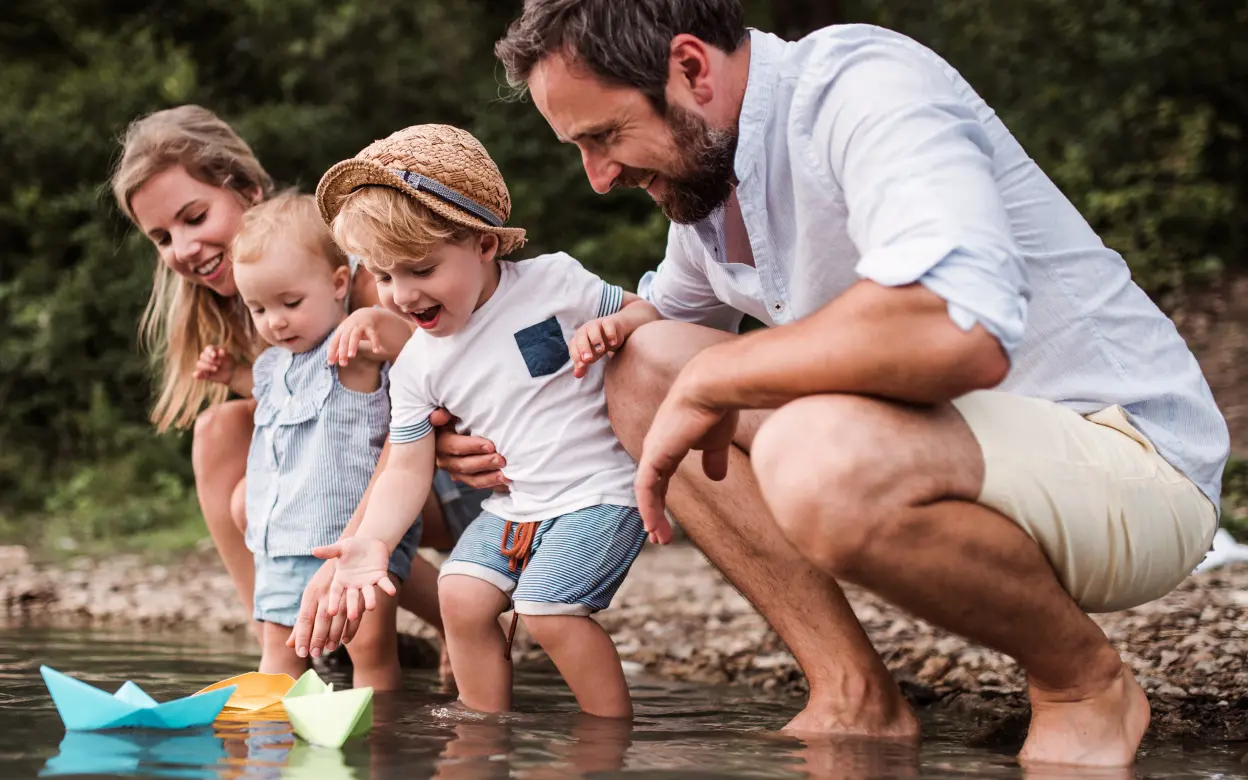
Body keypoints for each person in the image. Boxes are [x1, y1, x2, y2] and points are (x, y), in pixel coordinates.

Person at [432, 0, 1230, 768]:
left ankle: (1083, 685)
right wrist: (488, 423)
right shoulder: (710, 189)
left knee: (816, 455)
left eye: (605, 136)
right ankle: (854, 693)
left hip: (1128, 462)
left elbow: (956, 328)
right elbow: (649, 337)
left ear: (689, 68)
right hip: (966, 454)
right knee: (643, 370)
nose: (598, 177)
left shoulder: (859, 84)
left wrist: (722, 373)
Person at [110, 105, 490, 676]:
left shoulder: (365, 278)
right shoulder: (259, 309)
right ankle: (284, 634)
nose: (183, 247)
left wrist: (353, 547)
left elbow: (414, 411)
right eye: (162, 237)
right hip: (368, 484)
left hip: (453, 472)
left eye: (194, 216)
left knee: (304, 508)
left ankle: (389, 627)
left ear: (245, 188)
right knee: (224, 434)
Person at [310, 124, 661, 718]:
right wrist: (373, 539)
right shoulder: (417, 364)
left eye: (420, 270)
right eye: (385, 275)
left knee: (550, 612)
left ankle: (608, 739)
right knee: (460, 595)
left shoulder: (553, 282)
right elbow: (407, 469)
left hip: (598, 489)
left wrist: (619, 327)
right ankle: (482, 730)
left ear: (484, 245)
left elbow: (645, 311)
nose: (401, 294)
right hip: (515, 504)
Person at [189, 192, 414, 687]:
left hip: (347, 541)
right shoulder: (272, 365)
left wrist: (377, 321)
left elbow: (419, 354)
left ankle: (384, 739)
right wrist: (233, 376)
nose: (276, 321)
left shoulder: (351, 351)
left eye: (290, 303)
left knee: (370, 653)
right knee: (279, 652)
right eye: (259, 309)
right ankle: (268, 746)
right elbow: (274, 400)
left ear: (338, 284)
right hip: (280, 541)